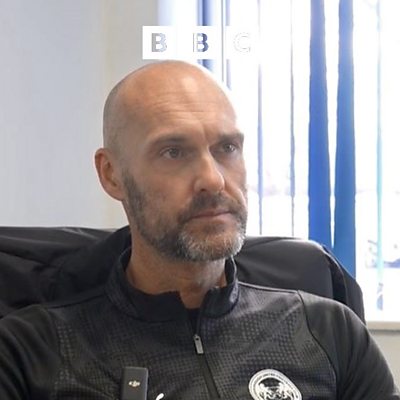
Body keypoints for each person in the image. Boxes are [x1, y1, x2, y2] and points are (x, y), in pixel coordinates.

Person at [0, 61, 398, 400]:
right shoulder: (29, 352)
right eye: (173, 152)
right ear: (111, 174)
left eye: (227, 148)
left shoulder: (327, 331)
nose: (213, 179)